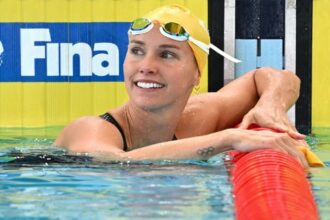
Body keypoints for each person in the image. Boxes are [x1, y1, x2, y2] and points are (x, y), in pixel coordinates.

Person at [54, 4, 309, 167]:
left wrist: (271, 105)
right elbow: (113, 161)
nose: (146, 66)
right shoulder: (91, 129)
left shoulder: (197, 118)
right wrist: (229, 138)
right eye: (137, 51)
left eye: (166, 55)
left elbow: (277, 77)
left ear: (196, 75)